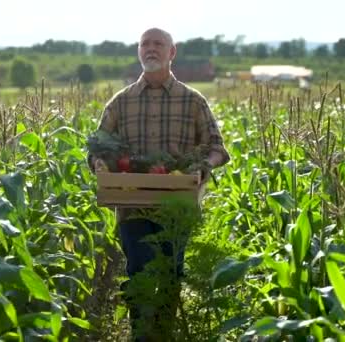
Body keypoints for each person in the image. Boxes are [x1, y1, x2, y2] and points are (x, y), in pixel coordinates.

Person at [88, 28, 230, 340]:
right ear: (138, 51)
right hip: (132, 207)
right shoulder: (120, 102)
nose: (150, 49)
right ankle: (140, 334)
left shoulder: (192, 101)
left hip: (176, 209)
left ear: (172, 52)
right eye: (145, 44)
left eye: (158, 44)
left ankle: (164, 333)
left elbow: (218, 148)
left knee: (171, 275)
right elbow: (98, 148)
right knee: (138, 270)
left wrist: (205, 165)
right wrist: (99, 163)